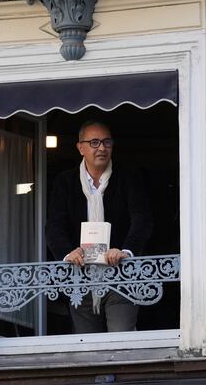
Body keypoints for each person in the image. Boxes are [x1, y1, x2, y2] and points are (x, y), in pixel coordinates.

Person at [45, 120, 153, 334]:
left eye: (106, 142)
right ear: (80, 148)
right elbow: (54, 226)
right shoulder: (65, 182)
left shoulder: (128, 178)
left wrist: (125, 251)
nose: (102, 148)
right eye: (94, 142)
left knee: (121, 341)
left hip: (121, 275)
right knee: (87, 348)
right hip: (80, 277)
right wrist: (68, 253)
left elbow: (142, 221)